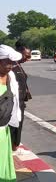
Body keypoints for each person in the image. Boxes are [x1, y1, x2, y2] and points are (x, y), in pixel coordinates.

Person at [0, 44, 23, 181]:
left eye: (13, 62)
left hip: (5, 130)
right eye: (8, 62)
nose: (11, 65)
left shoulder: (11, 76)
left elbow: (14, 100)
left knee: (4, 165)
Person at [10, 41, 32, 154]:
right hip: (14, 103)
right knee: (15, 125)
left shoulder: (17, 65)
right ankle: (14, 148)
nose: (28, 58)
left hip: (20, 101)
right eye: (26, 55)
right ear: (19, 53)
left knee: (18, 125)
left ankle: (15, 146)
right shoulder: (11, 66)